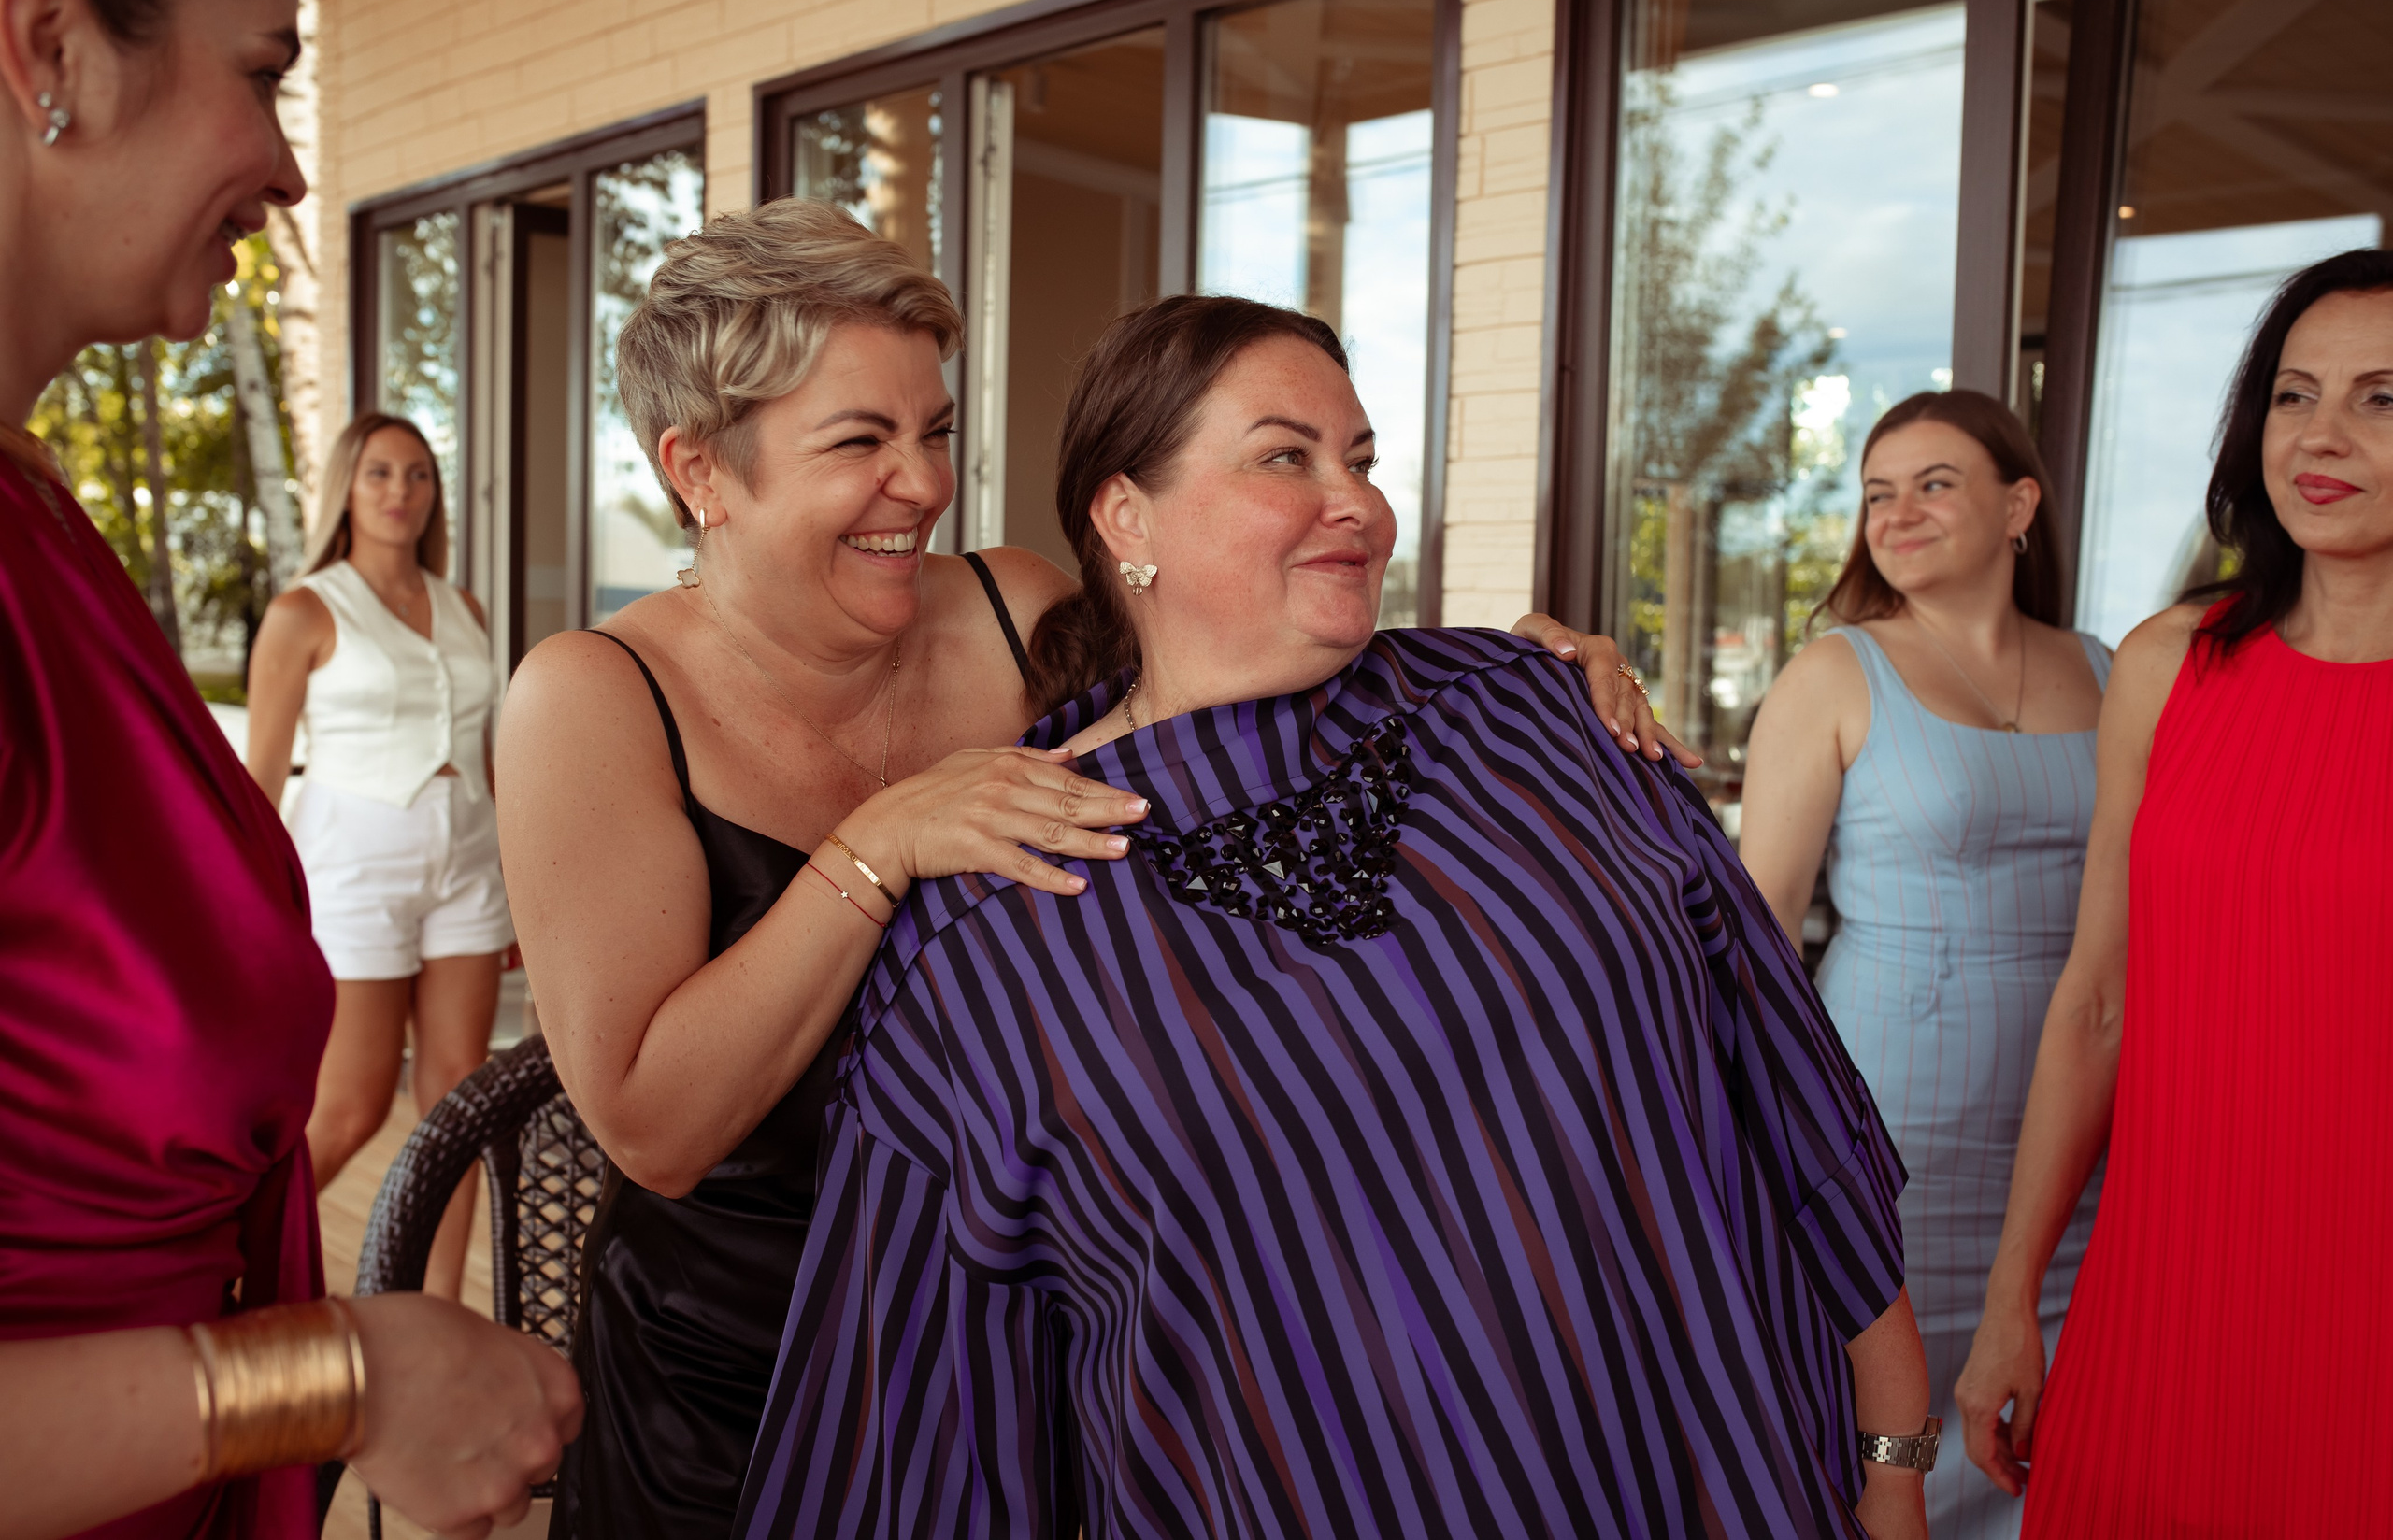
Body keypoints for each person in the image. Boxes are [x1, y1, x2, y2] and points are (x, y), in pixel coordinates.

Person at [495, 202, 1684, 1540]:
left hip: (1046, 1350)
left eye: (933, 431)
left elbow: (1247, 690)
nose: (924, 483)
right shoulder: (591, 698)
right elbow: (655, 1123)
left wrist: (1500, 681)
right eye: (861, 442)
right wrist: (875, 846)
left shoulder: (1015, 608)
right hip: (739, 1384)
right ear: (702, 469)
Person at [734, 293, 1935, 1540]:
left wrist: (1895, 1451)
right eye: (1282, 458)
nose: (1353, 499)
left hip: (1731, 1481)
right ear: (1124, 514)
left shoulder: (1538, 714)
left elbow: (1792, 1090)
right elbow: (919, 1438)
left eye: (1359, 458)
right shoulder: (993, 926)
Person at [0, 0, 579, 1540]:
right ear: (50, 42)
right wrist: (332, 1378)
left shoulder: (45, 530)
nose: (292, 161)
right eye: (261, 73)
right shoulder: (292, 608)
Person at [1953, 251, 2393, 1534]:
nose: (2320, 435)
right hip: (2166, 1285)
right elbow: (2096, 998)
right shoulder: (2167, 664)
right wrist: (2010, 1297)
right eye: (2294, 392)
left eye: (2383, 398)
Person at [1737, 392, 2107, 1536]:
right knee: (1890, 1430)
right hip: (1897, 1124)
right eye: (1877, 491)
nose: (1896, 513)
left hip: (2083, 1130)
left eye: (1934, 483)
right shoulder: (1835, 675)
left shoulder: (2106, 668)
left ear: (2019, 504)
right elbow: (1753, 940)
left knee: (2060, 1417)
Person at [246, 410, 514, 1304]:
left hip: (467, 865)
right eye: (380, 474)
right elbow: (260, 778)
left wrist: (515, 884)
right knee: (354, 1103)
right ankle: (236, 1266)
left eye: (418, 476)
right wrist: (254, 906)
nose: (401, 492)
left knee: (457, 1102)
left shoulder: (464, 606)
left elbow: (483, 757)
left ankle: (435, 1313)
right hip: (352, 870)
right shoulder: (303, 611)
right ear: (347, 490)